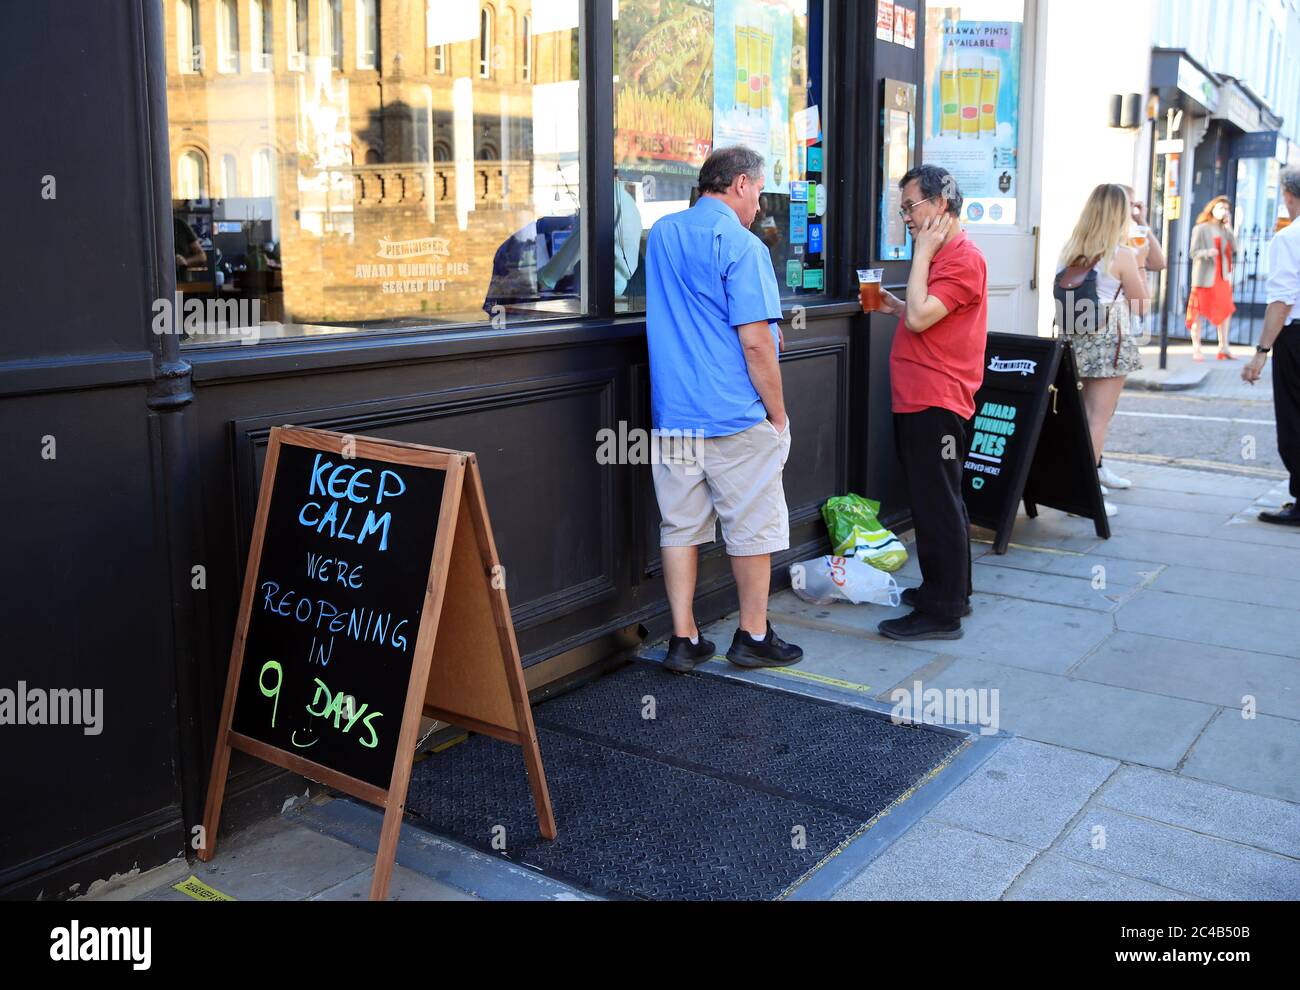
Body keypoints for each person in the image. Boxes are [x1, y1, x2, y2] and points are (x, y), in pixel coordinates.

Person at [645, 145, 803, 671]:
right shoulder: (743, 245)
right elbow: (757, 342)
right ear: (739, 184)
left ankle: (683, 639)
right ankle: (752, 636)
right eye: (758, 191)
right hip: (734, 413)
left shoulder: (664, 234)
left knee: (680, 527)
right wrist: (777, 415)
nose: (759, 204)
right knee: (751, 527)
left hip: (674, 413)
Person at [875, 164, 987, 641]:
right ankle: (950, 591)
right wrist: (895, 306)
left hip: (936, 399)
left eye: (911, 207)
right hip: (921, 396)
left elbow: (922, 320)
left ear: (940, 204)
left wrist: (920, 255)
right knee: (940, 499)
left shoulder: (960, 257)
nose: (906, 219)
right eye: (902, 210)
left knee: (936, 503)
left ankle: (942, 613)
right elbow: (926, 315)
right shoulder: (948, 257)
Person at [1055, 184, 1150, 517]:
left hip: (1074, 339)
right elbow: (1141, 306)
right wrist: (1138, 264)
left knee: (1080, 417)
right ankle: (1086, 495)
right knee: (1099, 419)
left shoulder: (1069, 251)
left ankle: (1069, 486)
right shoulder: (1121, 254)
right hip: (1108, 340)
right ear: (1119, 214)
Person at [1242, 166, 1300, 526]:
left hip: (1296, 340)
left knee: (1294, 420)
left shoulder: (1289, 237)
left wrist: (1261, 354)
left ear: (1289, 196)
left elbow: (1281, 302)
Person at [1186, 195, 1238, 362]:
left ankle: (1224, 347)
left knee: (1226, 310)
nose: (1224, 211)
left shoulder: (1224, 229)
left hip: (1221, 277)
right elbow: (1193, 252)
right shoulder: (1201, 228)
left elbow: (1235, 248)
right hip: (1204, 277)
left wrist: (1229, 228)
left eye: (1226, 209)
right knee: (1197, 313)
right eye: (1221, 208)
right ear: (1212, 209)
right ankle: (1196, 348)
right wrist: (1207, 252)